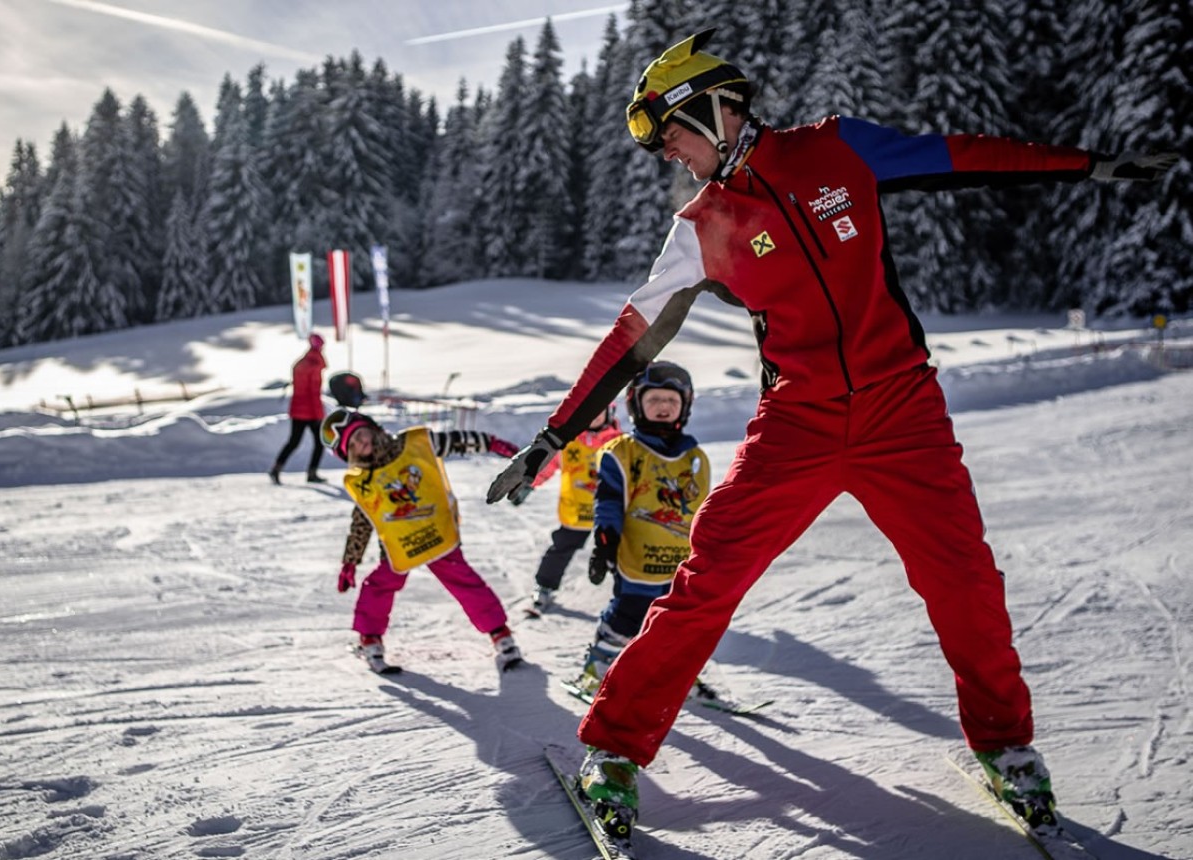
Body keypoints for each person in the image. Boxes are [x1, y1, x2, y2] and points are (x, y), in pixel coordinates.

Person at [486, 28, 1179, 842]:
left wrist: (1087, 165)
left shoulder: (835, 151)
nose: (668, 154)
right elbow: (631, 337)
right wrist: (554, 434)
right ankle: (612, 748)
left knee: (963, 579)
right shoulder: (701, 225)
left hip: (902, 411)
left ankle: (1005, 743)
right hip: (799, 422)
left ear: (715, 107)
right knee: (708, 579)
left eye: (669, 133)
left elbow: (959, 155)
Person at [323, 408, 526, 674]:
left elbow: (457, 440)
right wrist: (350, 562)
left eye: (360, 435)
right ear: (349, 454)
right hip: (398, 544)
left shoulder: (414, 444)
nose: (361, 444)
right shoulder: (364, 481)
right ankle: (370, 640)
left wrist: (492, 444)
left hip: (436, 533)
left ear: (371, 428)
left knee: (464, 582)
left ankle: (501, 635)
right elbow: (361, 523)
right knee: (379, 586)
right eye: (353, 445)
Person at [567, 362, 709, 700]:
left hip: (678, 561)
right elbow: (609, 501)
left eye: (671, 401)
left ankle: (677, 674)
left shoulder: (695, 457)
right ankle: (597, 668)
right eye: (655, 399)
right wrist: (605, 542)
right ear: (635, 404)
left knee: (679, 621)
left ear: (685, 406)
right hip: (636, 557)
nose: (663, 407)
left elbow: (703, 509)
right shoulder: (622, 452)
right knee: (629, 613)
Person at [512, 403, 622, 616]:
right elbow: (547, 465)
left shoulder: (619, 443)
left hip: (612, 511)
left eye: (598, 412)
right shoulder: (568, 442)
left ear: (608, 413)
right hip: (577, 509)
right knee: (561, 547)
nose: (593, 417)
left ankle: (631, 594)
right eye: (588, 412)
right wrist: (528, 485)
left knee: (620, 551)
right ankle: (544, 587)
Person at [269, 333, 329, 484]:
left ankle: (277, 467)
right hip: (309, 411)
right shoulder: (314, 365)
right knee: (319, 442)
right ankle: (312, 472)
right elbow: (313, 393)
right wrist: (318, 415)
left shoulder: (300, 363)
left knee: (293, 442)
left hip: (297, 409)